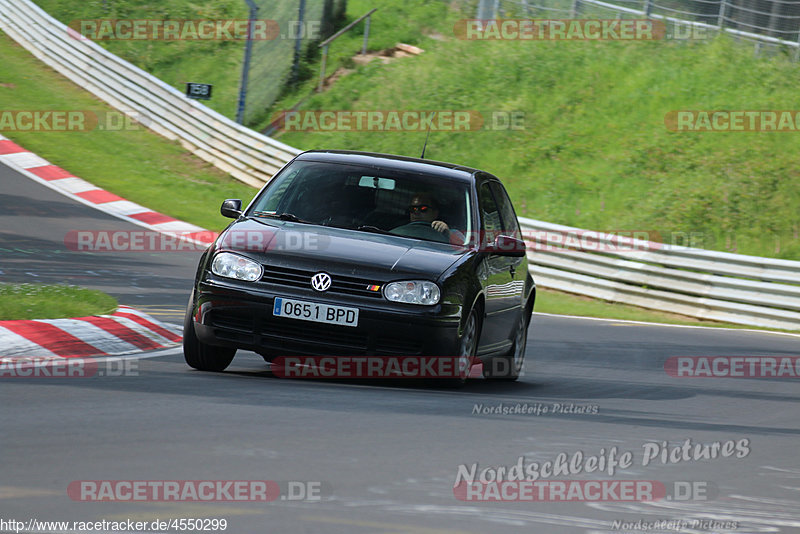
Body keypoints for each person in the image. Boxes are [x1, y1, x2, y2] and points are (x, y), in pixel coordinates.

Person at [392, 193, 464, 244]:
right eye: (412, 209)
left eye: (423, 209)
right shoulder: (399, 229)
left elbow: (465, 249)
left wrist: (448, 232)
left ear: (435, 213)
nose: (416, 212)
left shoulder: (452, 232)